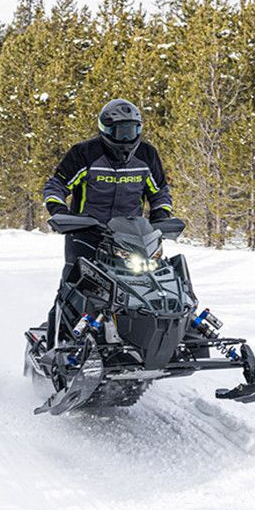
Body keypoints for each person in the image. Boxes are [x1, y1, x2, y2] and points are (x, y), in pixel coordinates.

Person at [40, 99, 173, 342]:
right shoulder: (84, 154)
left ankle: (162, 338)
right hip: (87, 234)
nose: (126, 138)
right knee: (72, 289)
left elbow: (160, 191)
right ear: (106, 129)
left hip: (132, 238)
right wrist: (58, 209)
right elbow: (56, 184)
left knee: (153, 285)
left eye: (132, 130)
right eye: (120, 131)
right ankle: (54, 347)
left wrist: (161, 216)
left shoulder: (146, 155)